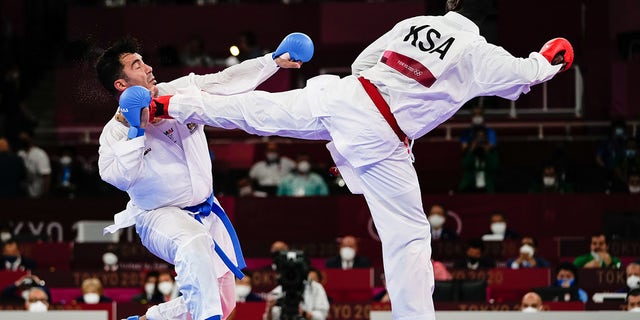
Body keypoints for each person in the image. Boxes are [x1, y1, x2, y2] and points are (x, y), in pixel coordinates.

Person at [119, 0, 573, 317]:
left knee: (258, 112)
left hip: (347, 96)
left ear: (452, 7)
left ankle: (167, 104)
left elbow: (362, 63)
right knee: (409, 239)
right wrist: (554, 56)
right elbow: (527, 73)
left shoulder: (415, 23)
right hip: (383, 138)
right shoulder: (477, 51)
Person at [96, 34, 304, 320]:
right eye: (137, 65)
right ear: (121, 84)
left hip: (206, 208)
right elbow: (118, 178)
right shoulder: (115, 131)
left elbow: (224, 81)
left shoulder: (179, 93)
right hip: (159, 215)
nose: (148, 68)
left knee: (225, 299)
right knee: (193, 242)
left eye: (144, 61)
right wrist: (136, 132)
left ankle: (150, 319)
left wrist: (271, 62)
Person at [458, 126, 499, 193]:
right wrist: (471, 150)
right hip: (470, 187)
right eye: (478, 136)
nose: (480, 139)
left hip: (487, 187)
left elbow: (494, 167)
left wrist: (487, 151)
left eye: (482, 136)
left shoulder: (492, 152)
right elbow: (465, 165)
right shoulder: (469, 151)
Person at [16, 131, 51, 198]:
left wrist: (45, 195)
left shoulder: (40, 154)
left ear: (30, 138)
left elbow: (46, 176)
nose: (22, 141)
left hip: (38, 194)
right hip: (24, 194)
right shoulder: (20, 154)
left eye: (25, 139)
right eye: (21, 139)